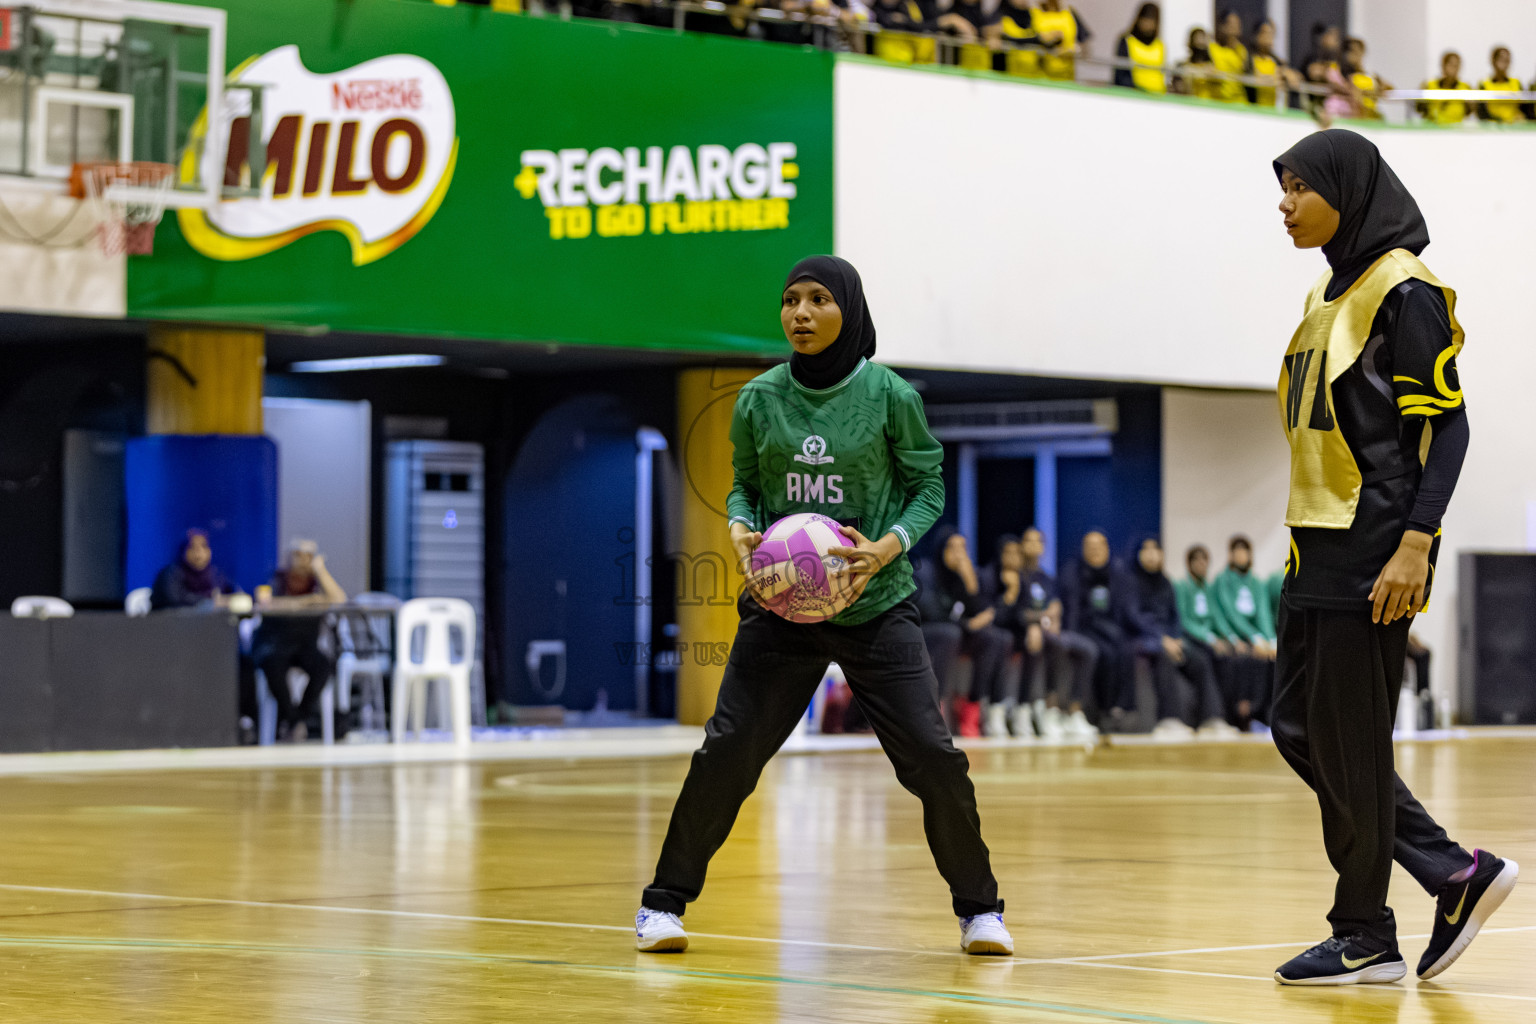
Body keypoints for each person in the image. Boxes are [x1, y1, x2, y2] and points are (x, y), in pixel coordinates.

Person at [635, 255, 1011, 957]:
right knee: (726, 755)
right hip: (781, 609)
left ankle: (980, 911)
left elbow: (928, 490)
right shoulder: (759, 400)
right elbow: (746, 485)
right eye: (789, 301)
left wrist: (888, 547)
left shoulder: (892, 395)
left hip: (876, 605)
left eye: (817, 300)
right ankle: (662, 904)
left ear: (850, 311)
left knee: (933, 759)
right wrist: (740, 525)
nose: (800, 314)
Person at [1267, 128, 1517, 985]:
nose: (1285, 204)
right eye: (1283, 187)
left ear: (1349, 189)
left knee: (1353, 743)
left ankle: (1365, 930)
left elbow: (1446, 426)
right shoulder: (1324, 293)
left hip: (1375, 550)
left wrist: (1417, 543)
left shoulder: (1404, 289)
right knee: (1301, 729)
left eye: (1300, 186)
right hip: (1314, 550)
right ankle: (1450, 873)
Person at [1125, 537, 1234, 738]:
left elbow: (1175, 616)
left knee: (1200, 659)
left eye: (1155, 550)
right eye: (1146, 550)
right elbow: (1133, 617)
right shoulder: (1131, 581)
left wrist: (1175, 638)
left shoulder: (1165, 582)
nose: (1151, 555)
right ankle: (1170, 719)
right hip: (1144, 638)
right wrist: (1161, 639)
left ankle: (1211, 718)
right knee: (1163, 657)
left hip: (1171, 639)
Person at [1002, 528, 1097, 739]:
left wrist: (1051, 615)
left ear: (1044, 547)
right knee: (1054, 643)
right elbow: (1016, 612)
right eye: (1028, 540)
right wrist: (1039, 620)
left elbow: (1054, 606)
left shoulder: (1046, 577)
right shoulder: (1015, 574)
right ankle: (1048, 709)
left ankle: (1074, 712)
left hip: (1047, 630)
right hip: (1021, 631)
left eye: (1038, 541)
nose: (1033, 545)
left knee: (1088, 649)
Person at [250, 539, 347, 742]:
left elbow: (339, 600)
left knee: (323, 666)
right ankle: (292, 718)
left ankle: (295, 720)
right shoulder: (278, 579)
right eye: (298, 555)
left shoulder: (317, 584)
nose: (302, 561)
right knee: (273, 666)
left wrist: (320, 570)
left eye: (308, 556)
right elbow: (267, 603)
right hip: (277, 643)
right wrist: (308, 602)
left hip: (306, 645)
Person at [927, 526, 1015, 737]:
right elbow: (932, 613)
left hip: (954, 631)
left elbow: (981, 612)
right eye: (953, 547)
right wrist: (968, 625)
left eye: (963, 548)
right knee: (951, 634)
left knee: (997, 638)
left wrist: (970, 583)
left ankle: (972, 707)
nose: (959, 553)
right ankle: (934, 708)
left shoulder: (963, 576)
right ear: (941, 549)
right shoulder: (928, 572)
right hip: (926, 631)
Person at [1060, 530, 1135, 730]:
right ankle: (1101, 710)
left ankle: (1120, 708)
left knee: (1125, 648)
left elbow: (1123, 609)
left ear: (1107, 549)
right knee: (1103, 652)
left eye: (1099, 546)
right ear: (1083, 550)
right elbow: (1073, 610)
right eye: (1090, 547)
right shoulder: (1073, 572)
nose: (1095, 551)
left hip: (1110, 628)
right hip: (1084, 628)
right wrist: (1070, 635)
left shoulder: (1117, 572)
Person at [149, 529, 237, 611]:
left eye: (204, 546)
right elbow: (175, 600)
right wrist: (210, 601)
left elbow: (234, 593)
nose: (199, 553)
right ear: (183, 550)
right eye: (192, 547)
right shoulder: (170, 574)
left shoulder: (216, 574)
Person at [1112, 3, 1164, 94]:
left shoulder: (1159, 45)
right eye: (1145, 19)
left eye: (1152, 20)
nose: (1148, 24)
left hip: (1157, 95)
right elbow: (1120, 75)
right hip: (1134, 94)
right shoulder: (1127, 41)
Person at [1247, 20, 1301, 108]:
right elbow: (1250, 79)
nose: (1268, 37)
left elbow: (1294, 81)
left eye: (1271, 34)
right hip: (1254, 107)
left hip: (1274, 109)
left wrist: (1290, 75)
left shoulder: (1277, 61)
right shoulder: (1249, 59)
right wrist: (1272, 78)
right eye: (1264, 33)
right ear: (1256, 35)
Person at [1206, 9, 1248, 104]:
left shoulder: (1241, 50)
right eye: (1230, 24)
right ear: (1222, 26)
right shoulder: (1213, 48)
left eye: (1237, 25)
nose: (1234, 28)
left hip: (1238, 101)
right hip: (1217, 100)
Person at [1418, 51, 1471, 125]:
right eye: (1451, 64)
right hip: (1434, 128)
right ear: (1443, 65)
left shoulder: (1465, 87)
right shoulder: (1430, 86)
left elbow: (1469, 110)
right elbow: (1420, 109)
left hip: (1457, 128)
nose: (1454, 68)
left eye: (1457, 65)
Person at [1342, 37, 1389, 118]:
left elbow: (1389, 88)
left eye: (1358, 51)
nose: (1355, 55)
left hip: (1371, 115)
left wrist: (1379, 89)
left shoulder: (1371, 75)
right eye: (1352, 51)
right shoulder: (1343, 75)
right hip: (1354, 116)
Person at [1477, 47, 1526, 123]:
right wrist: (1498, 120)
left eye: (1507, 60)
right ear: (1493, 61)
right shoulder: (1484, 84)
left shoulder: (1516, 83)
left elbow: (1524, 107)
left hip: (1514, 128)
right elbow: (1481, 112)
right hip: (1492, 127)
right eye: (1501, 59)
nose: (1504, 63)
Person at [1174, 28, 1214, 99]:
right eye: (1197, 39)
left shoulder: (1211, 66)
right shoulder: (1185, 65)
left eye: (1202, 38)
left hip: (1207, 104)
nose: (1200, 42)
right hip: (1190, 102)